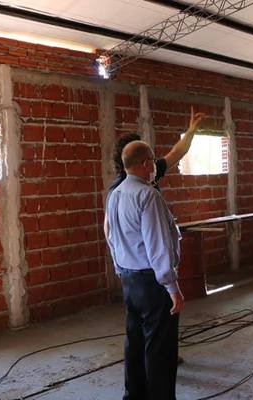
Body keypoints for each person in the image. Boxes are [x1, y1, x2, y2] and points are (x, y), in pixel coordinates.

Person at [105, 141, 183, 400]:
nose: (153, 165)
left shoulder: (115, 194)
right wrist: (172, 287)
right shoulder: (148, 195)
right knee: (160, 347)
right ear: (145, 163)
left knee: (135, 341)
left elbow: (111, 236)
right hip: (152, 281)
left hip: (129, 278)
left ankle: (134, 395)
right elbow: (158, 245)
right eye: (151, 160)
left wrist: (120, 270)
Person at [108, 106, 205, 192]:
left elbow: (176, 153)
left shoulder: (148, 171)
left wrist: (191, 131)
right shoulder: (119, 190)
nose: (151, 163)